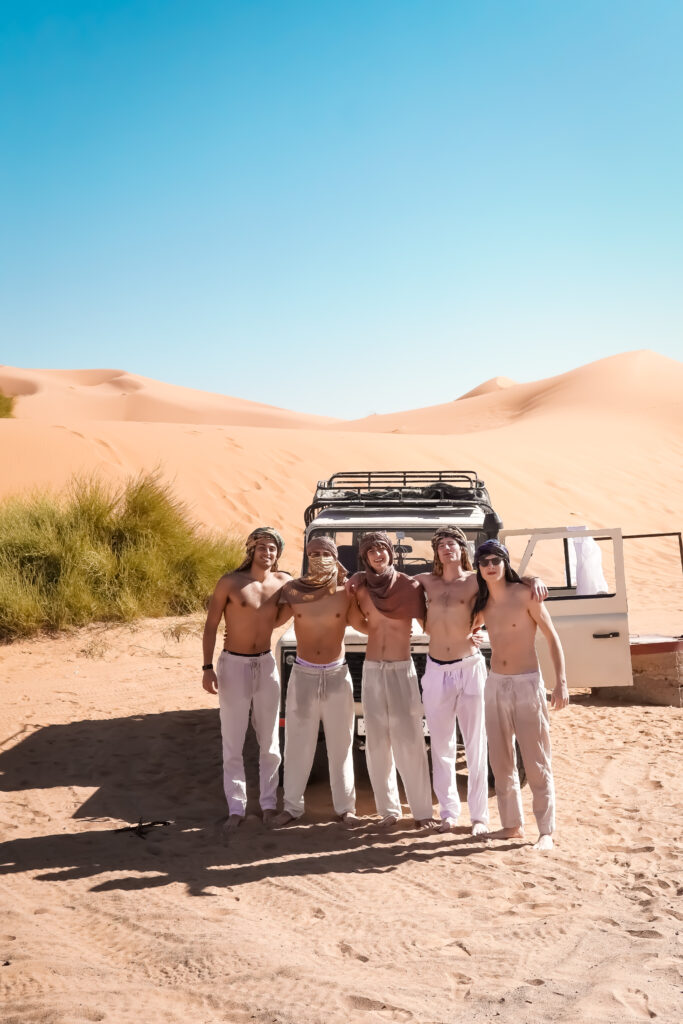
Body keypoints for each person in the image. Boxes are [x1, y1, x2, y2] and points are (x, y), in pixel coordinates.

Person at [417, 527, 548, 836]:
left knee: (476, 744)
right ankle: (448, 813)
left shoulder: (477, 579)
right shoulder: (425, 581)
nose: (447, 548)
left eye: (453, 543)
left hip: (469, 667)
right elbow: (389, 582)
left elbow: (508, 580)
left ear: (463, 550)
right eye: (442, 545)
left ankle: (479, 817)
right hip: (435, 669)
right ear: (436, 552)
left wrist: (534, 580)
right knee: (440, 745)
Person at [471, 540, 569, 851]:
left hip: (527, 683)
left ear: (504, 562)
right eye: (484, 560)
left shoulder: (526, 594)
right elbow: (465, 629)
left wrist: (561, 682)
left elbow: (552, 639)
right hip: (496, 683)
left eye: (495, 559)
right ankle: (511, 825)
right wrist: (472, 636)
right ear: (479, 567)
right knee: (501, 760)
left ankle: (546, 831)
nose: (490, 565)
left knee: (536, 757)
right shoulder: (483, 603)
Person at [272, 536, 368, 828]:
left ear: (336, 558)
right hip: (303, 675)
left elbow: (364, 624)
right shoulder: (293, 590)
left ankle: (346, 808)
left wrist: (354, 583)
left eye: (326, 553)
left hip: (337, 675)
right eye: (313, 553)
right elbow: (273, 621)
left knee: (341, 744)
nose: (319, 558)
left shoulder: (344, 593)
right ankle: (291, 807)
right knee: (298, 745)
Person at [202, 526, 290, 830]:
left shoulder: (283, 582)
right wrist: (206, 667)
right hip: (233, 665)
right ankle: (236, 808)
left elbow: (311, 594)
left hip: (266, 664)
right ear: (251, 549)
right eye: (262, 547)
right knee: (233, 740)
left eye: (273, 548)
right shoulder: (230, 582)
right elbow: (211, 625)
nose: (268, 552)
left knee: (270, 742)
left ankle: (268, 804)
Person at [349, 531, 436, 830]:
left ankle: (423, 812)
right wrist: (374, 628)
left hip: (401, 668)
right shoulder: (360, 588)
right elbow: (354, 620)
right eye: (371, 551)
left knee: (410, 739)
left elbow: (429, 624)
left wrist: (467, 634)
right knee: (376, 742)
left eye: (382, 549)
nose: (378, 554)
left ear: (391, 552)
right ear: (365, 557)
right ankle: (389, 809)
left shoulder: (409, 586)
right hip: (373, 669)